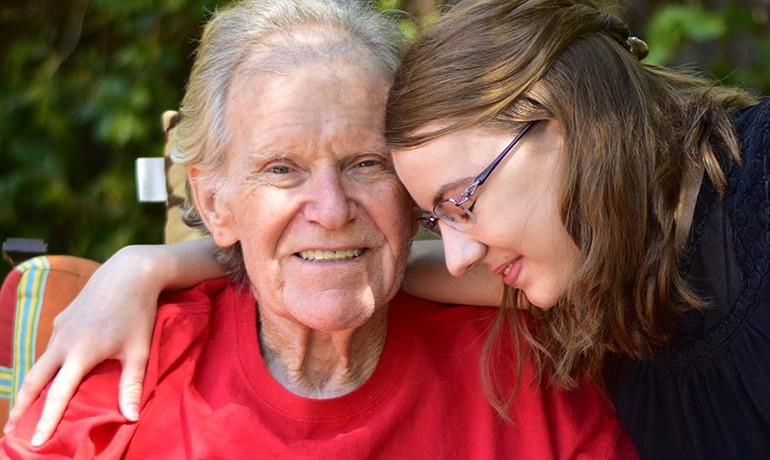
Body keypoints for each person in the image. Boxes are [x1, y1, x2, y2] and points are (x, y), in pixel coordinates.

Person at [6, 0, 766, 458]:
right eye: (281, 169)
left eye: (367, 164)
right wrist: (146, 265)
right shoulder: (113, 378)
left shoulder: (535, 351)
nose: (331, 208)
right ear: (214, 200)